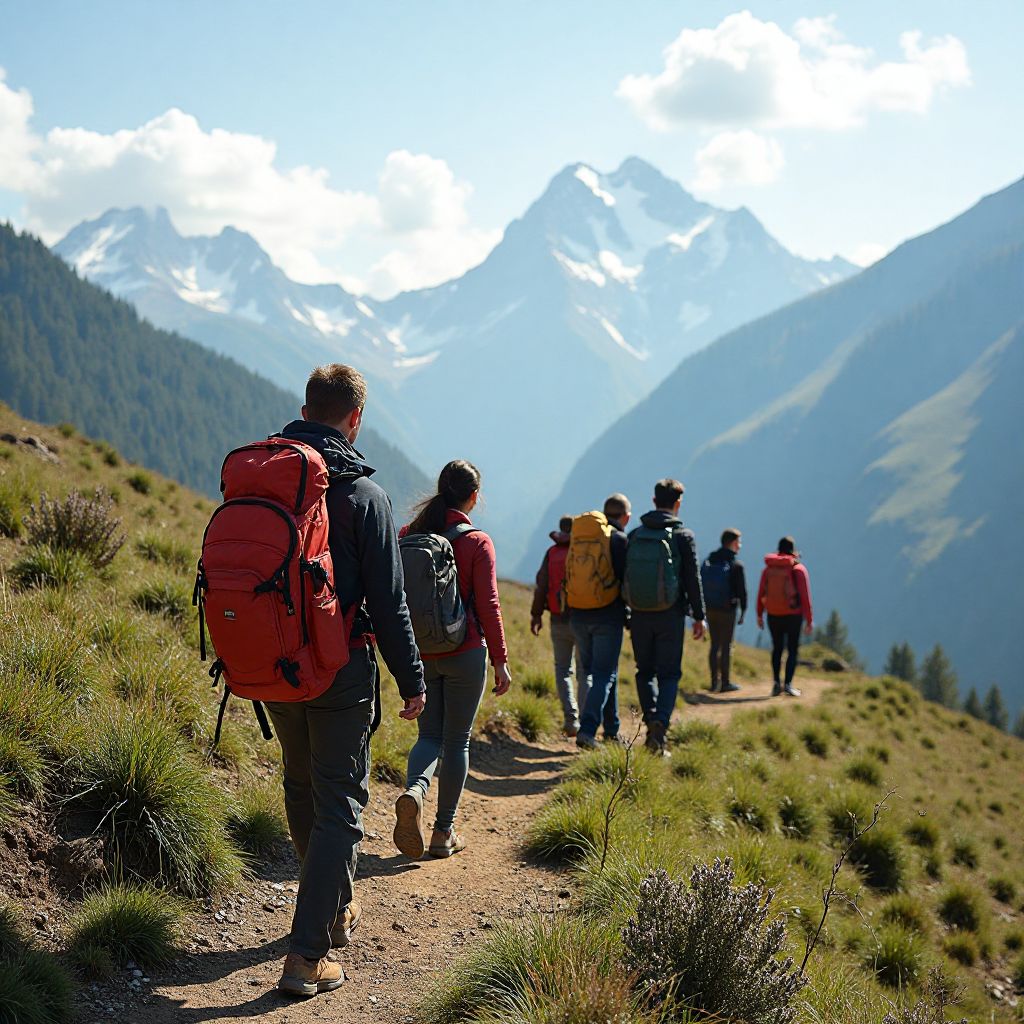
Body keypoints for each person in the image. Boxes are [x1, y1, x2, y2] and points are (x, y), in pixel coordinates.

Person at [269, 364, 426, 998]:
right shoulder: (364, 497)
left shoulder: (269, 475)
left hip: (273, 664)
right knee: (340, 807)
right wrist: (413, 678)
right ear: (355, 418)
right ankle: (307, 956)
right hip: (338, 668)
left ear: (306, 408)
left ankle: (332, 911)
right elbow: (389, 602)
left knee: (302, 785)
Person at [394, 460, 512, 859]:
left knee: (428, 736)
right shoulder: (478, 541)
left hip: (421, 652)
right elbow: (489, 605)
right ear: (474, 496)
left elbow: (392, 595)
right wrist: (500, 659)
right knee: (456, 740)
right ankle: (443, 833)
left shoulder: (409, 534)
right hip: (465, 653)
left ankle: (415, 790)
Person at [626, 479, 705, 754]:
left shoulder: (635, 535)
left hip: (638, 614)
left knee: (644, 671)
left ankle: (651, 723)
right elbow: (692, 578)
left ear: (653, 500)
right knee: (669, 674)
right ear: (677, 503)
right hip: (670, 615)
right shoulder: (683, 536)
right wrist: (698, 615)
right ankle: (660, 725)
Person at [570, 493, 631, 750]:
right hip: (607, 615)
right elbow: (625, 580)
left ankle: (612, 729)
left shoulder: (581, 537)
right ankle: (587, 730)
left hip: (578, 613)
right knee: (604, 674)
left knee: (601, 672)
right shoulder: (617, 540)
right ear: (625, 517)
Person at [530, 516, 585, 736]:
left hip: (557, 618)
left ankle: (571, 719)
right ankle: (586, 723)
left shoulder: (552, 553)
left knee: (562, 670)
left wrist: (536, 615)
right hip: (582, 619)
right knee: (584, 672)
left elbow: (541, 584)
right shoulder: (582, 552)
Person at [756, 536, 814, 697]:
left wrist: (759, 614)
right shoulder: (798, 569)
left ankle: (776, 683)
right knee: (793, 650)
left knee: (777, 649)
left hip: (773, 614)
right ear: (793, 550)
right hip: (793, 616)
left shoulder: (768, 569)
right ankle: (788, 684)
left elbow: (761, 592)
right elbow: (805, 597)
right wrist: (809, 620)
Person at [702, 528, 748, 693]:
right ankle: (726, 682)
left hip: (709, 608)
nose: (740, 546)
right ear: (733, 543)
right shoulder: (735, 565)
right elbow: (742, 591)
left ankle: (714, 681)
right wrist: (743, 611)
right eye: (739, 542)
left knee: (714, 645)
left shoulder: (710, 560)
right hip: (727, 610)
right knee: (726, 646)